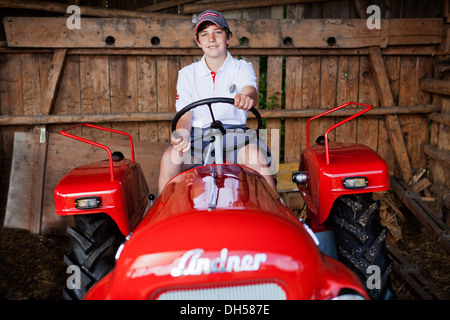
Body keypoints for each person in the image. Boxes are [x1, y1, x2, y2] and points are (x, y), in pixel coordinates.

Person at [157, 9, 275, 193]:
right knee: (170, 157)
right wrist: (181, 135)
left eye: (217, 32)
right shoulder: (187, 74)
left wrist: (247, 98)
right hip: (199, 138)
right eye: (205, 34)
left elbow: (250, 91)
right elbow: (185, 114)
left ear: (228, 38)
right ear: (198, 41)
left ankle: (275, 207)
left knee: (255, 157)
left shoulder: (241, 68)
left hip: (236, 136)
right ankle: (162, 210)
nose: (211, 39)